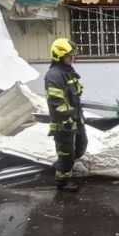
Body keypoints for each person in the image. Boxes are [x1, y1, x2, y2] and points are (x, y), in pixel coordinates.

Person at [45, 37, 87, 192]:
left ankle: (61, 165)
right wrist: (70, 115)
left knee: (81, 146)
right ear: (59, 56)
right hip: (64, 123)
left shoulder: (68, 71)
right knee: (66, 154)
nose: (73, 58)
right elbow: (56, 103)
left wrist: (79, 89)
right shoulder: (54, 75)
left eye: (73, 55)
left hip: (76, 119)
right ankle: (62, 183)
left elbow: (76, 88)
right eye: (70, 55)